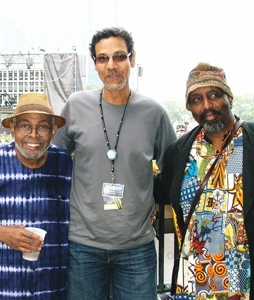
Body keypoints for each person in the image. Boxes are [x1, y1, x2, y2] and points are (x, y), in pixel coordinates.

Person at [53, 27, 176, 300]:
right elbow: (54, 161)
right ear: (95, 64)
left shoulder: (154, 113)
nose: (111, 66)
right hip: (83, 245)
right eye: (102, 58)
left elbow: (174, 170)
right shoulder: (76, 105)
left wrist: (149, 198)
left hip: (137, 247)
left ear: (132, 60)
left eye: (119, 56)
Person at [154, 62, 254, 299]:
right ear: (189, 107)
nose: (207, 105)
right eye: (197, 99)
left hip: (253, 282)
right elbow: (156, 190)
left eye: (214, 95)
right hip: (196, 283)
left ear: (229, 97)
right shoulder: (179, 153)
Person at [0, 93, 73, 299]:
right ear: (13, 129)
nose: (33, 135)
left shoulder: (64, 164)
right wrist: (5, 234)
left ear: (53, 131)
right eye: (25, 126)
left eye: (43, 127)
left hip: (50, 287)